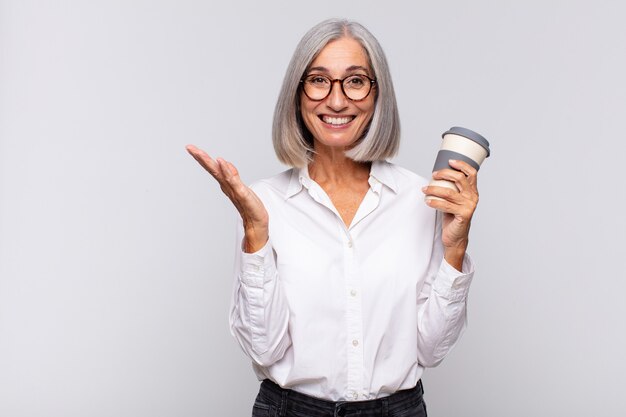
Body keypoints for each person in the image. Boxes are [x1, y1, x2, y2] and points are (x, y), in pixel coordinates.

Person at [187, 18, 480, 417]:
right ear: (298, 93)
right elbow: (264, 348)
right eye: (319, 80)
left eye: (355, 81)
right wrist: (256, 231)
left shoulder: (421, 201)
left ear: (378, 95)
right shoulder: (263, 202)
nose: (337, 101)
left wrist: (455, 249)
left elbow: (431, 349)